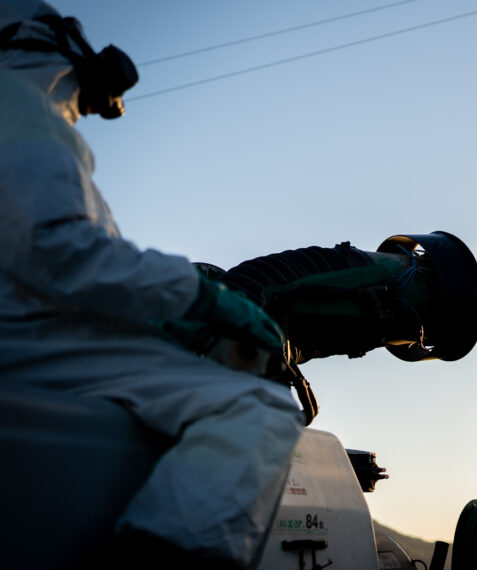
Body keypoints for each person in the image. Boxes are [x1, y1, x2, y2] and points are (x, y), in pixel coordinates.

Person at [0, 1, 304, 567]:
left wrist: (163, 316)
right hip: (30, 341)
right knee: (256, 404)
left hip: (33, 331)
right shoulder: (19, 108)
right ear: (43, 42)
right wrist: (199, 297)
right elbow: (60, 250)